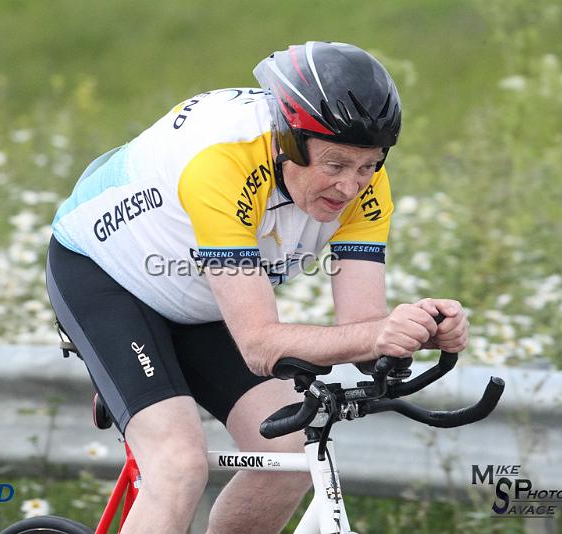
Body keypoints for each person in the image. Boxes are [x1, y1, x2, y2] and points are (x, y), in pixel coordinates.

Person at [46, 41, 468, 534]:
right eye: (334, 165)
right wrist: (376, 335)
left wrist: (417, 330)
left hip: (204, 299)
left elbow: (362, 332)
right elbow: (259, 344)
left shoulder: (365, 183)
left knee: (287, 457)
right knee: (179, 467)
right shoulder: (221, 162)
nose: (351, 187)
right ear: (288, 141)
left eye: (367, 165)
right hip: (109, 281)